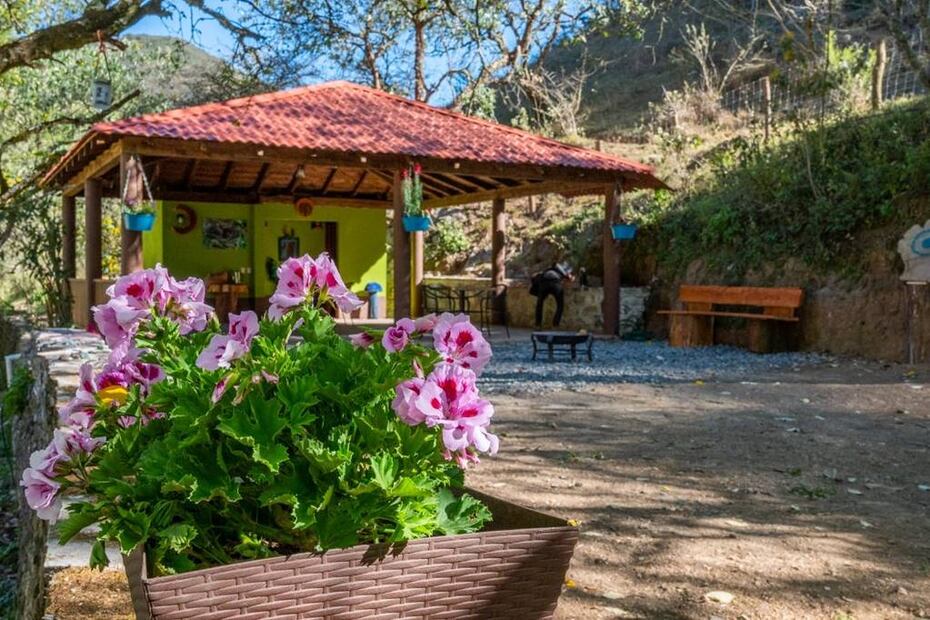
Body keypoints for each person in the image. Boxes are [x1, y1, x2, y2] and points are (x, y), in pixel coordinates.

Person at [530, 262, 573, 328]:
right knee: (560, 304)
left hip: (544, 283)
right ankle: (555, 324)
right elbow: (570, 278)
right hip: (555, 283)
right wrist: (571, 278)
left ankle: (538, 325)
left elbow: (534, 276)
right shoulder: (563, 270)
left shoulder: (547, 270)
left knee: (539, 304)